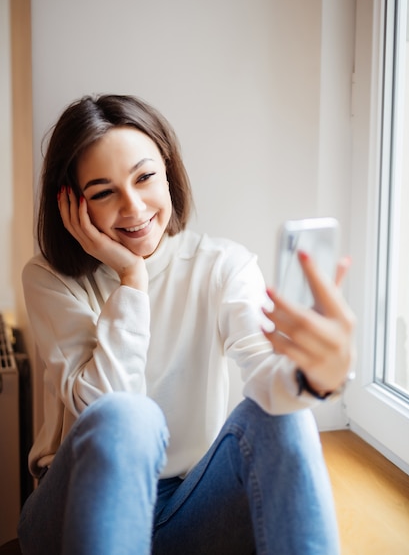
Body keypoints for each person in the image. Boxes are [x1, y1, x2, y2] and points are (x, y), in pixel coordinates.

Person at [18, 94, 355, 555]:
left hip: (187, 507)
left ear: (169, 171)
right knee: (127, 415)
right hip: (74, 508)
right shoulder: (49, 278)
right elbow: (98, 408)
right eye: (103, 192)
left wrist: (319, 374)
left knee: (283, 417)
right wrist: (131, 279)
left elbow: (266, 376)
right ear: (73, 205)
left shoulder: (222, 265)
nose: (133, 208)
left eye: (144, 177)